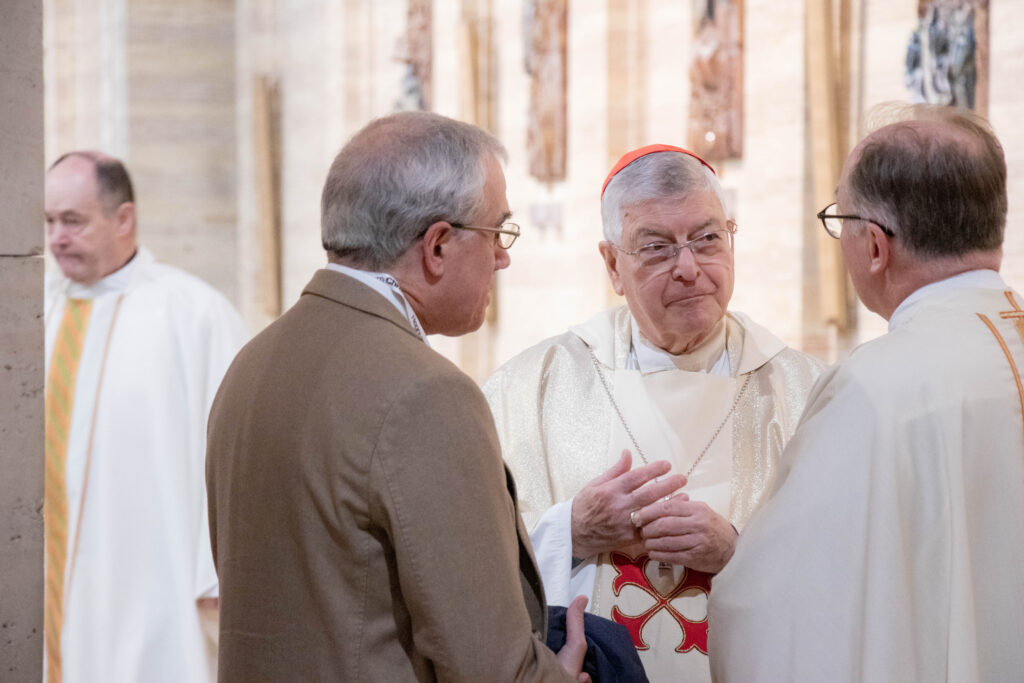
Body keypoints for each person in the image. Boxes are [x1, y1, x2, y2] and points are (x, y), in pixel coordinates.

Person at [205, 111, 589, 681]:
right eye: (497, 233)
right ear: (437, 245)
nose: (503, 257)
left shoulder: (254, 361)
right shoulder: (427, 395)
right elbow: (490, 664)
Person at [483, 144, 824, 682]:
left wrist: (738, 551)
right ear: (613, 264)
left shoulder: (804, 392)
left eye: (707, 238)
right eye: (657, 248)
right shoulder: (535, 386)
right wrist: (571, 529)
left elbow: (847, 563)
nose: (689, 268)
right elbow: (467, 557)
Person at [708, 105, 1024, 681]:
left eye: (841, 220)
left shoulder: (876, 390)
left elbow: (786, 615)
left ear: (876, 246)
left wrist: (732, 562)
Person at [43, 151, 248, 682]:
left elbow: (233, 458)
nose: (57, 238)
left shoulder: (193, 315)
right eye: (48, 222)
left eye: (73, 221)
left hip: (153, 583)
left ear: (124, 218)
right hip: (48, 579)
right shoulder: (36, 314)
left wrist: (216, 576)